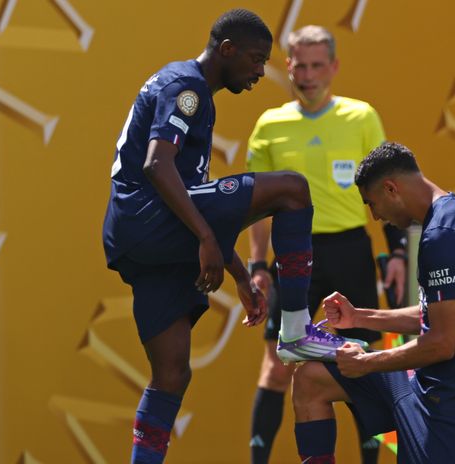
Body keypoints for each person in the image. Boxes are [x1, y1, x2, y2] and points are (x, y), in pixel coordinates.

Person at [102, 10, 354, 464]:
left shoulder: (188, 87)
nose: (261, 71)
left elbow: (194, 197)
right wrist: (206, 239)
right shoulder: (188, 89)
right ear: (227, 50)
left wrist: (239, 274)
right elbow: (157, 166)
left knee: (172, 373)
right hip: (151, 219)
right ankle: (295, 329)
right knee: (293, 190)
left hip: (138, 238)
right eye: (256, 60)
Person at [244, 25, 407, 464]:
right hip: (293, 256)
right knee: (278, 367)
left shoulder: (361, 116)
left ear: (333, 67)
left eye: (319, 65)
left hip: (350, 251)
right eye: (301, 65)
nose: (309, 74)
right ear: (288, 66)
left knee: (362, 364)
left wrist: (396, 254)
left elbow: (387, 187)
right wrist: (257, 264)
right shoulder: (269, 125)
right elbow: (257, 207)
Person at [290, 142, 455, 464]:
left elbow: (442, 343)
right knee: (311, 379)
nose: (375, 216)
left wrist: (366, 363)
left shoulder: (441, 235)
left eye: (372, 204)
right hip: (426, 383)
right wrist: (360, 317)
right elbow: (435, 314)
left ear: (391, 189)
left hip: (448, 404)